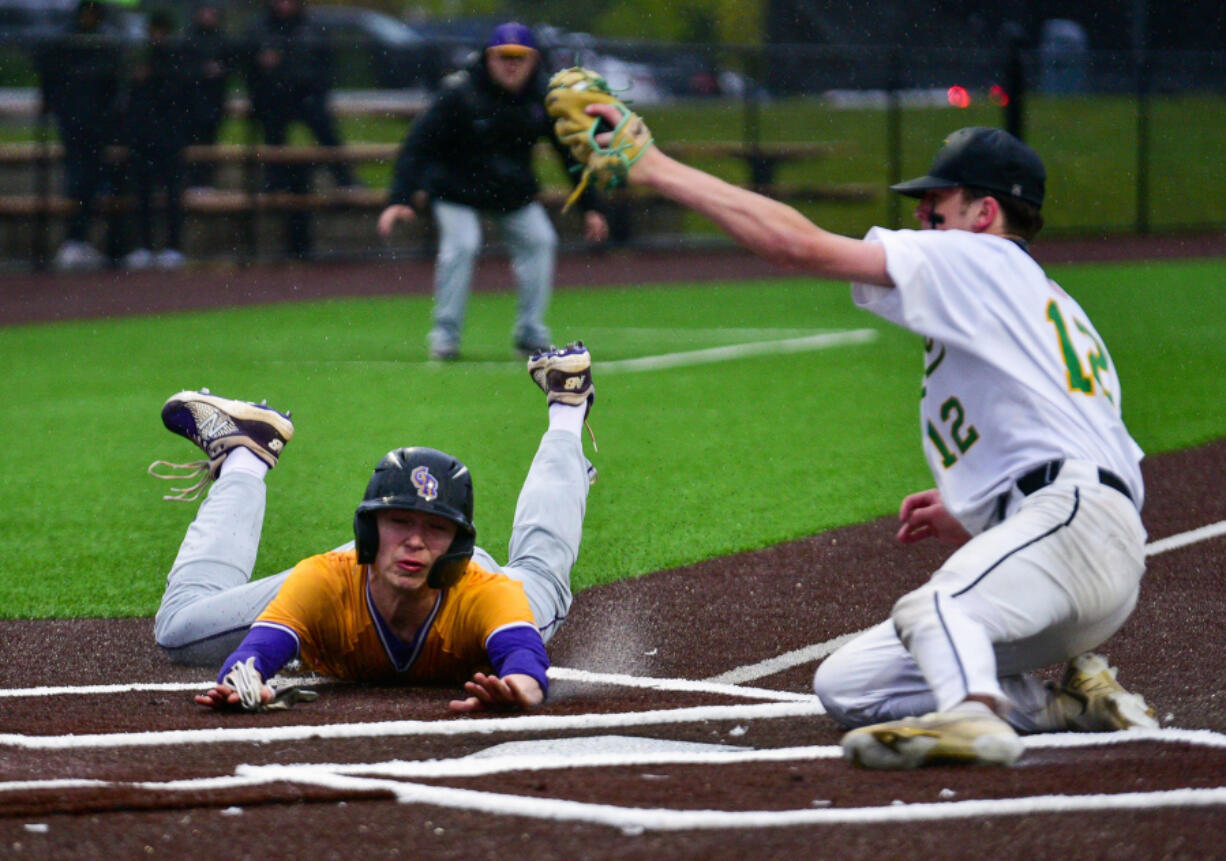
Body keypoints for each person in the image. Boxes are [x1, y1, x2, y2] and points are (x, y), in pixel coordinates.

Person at [577, 104, 1156, 768]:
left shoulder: (977, 258)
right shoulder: (1041, 299)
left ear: (985, 212)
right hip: (1084, 543)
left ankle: (973, 718)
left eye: (938, 202)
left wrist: (654, 167)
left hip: (1073, 527)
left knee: (934, 607)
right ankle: (1065, 702)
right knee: (851, 684)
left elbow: (795, 244)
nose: (923, 217)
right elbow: (1094, 450)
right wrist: (983, 510)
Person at [149, 342, 597, 713]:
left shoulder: (490, 593)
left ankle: (567, 411)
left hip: (469, 586)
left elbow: (524, 659)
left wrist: (521, 689)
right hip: (362, 573)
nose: (416, 541)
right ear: (368, 528)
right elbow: (257, 653)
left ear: (458, 544)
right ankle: (247, 454)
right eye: (400, 521)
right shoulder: (325, 579)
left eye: (436, 529)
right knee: (178, 628)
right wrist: (244, 680)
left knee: (540, 570)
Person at [377, 22, 609, 362]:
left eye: (520, 57)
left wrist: (590, 206)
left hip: (511, 192)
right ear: (488, 58)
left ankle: (530, 335)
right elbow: (416, 145)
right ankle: (445, 337)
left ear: (534, 60)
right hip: (456, 190)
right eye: (504, 57)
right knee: (463, 245)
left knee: (540, 241)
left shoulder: (542, 99)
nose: (511, 64)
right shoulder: (459, 93)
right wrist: (399, 199)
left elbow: (569, 154)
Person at [244, 0, 357, 259]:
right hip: (275, 99)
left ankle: (344, 177)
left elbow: (323, 64)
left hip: (306, 96)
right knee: (274, 134)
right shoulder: (262, 28)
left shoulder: (310, 27)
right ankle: (273, 180)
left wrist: (308, 83)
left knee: (326, 132)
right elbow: (250, 66)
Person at [37, 0, 122, 271]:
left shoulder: (104, 42)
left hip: (97, 126)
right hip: (75, 124)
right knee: (79, 181)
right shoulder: (67, 41)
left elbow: (112, 87)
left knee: (95, 182)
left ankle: (88, 243)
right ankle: (75, 241)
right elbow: (50, 78)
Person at [119, 10, 189, 270]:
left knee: (171, 195)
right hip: (144, 138)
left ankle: (172, 246)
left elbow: (178, 96)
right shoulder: (140, 58)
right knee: (143, 195)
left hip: (168, 138)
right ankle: (144, 245)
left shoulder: (175, 60)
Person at [180, 1, 236, 191]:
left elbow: (231, 66)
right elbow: (182, 68)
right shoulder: (189, 38)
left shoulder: (222, 40)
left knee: (208, 141)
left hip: (212, 101)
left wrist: (219, 71)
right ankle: (191, 182)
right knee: (191, 142)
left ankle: (204, 181)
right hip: (191, 102)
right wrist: (201, 71)